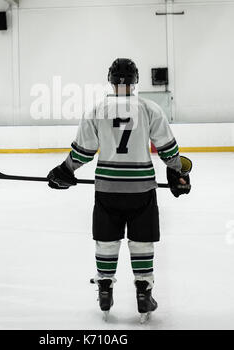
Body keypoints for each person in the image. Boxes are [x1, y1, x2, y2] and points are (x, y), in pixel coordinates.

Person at [47, 58, 191, 321]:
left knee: (106, 239)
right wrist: (178, 173)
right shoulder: (150, 108)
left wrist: (65, 170)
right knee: (142, 240)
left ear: (110, 80)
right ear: (136, 80)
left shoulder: (97, 110)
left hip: (107, 189)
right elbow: (169, 151)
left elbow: (82, 152)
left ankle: (104, 288)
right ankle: (143, 292)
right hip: (142, 189)